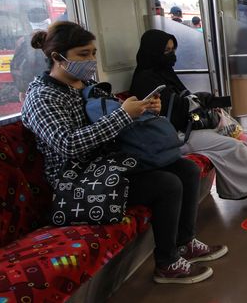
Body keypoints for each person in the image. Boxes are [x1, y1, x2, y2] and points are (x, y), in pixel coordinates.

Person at [20, 21, 226, 284]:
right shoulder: (42, 98)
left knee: (184, 168)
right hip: (75, 182)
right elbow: (68, 144)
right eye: (83, 54)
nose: (91, 60)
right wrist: (123, 116)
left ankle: (184, 242)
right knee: (166, 184)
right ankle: (167, 262)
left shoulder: (84, 84)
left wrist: (143, 109)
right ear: (57, 58)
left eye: (93, 53)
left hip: (107, 165)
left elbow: (111, 115)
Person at [129, 29, 247, 202]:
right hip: (174, 135)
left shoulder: (165, 73)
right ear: (153, 51)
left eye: (172, 50)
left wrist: (202, 102)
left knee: (245, 140)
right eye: (166, 51)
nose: (171, 55)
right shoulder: (145, 80)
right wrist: (195, 104)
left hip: (188, 127)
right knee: (232, 145)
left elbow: (182, 100)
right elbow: (169, 111)